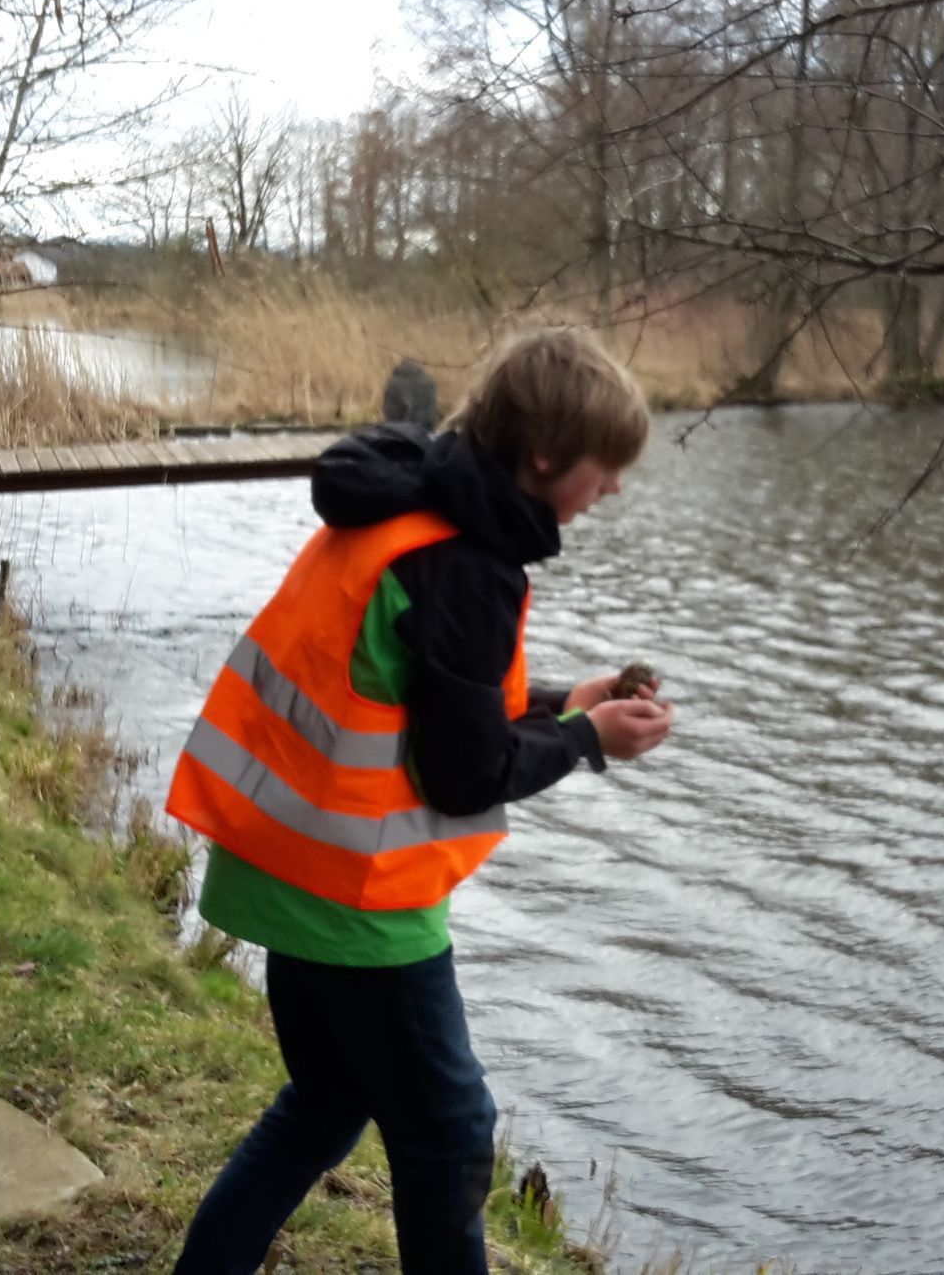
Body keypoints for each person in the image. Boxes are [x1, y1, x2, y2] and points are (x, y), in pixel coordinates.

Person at [166, 326, 675, 1274]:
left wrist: (567, 700)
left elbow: (422, 695)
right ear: (545, 456)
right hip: (360, 904)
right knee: (448, 1135)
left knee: (322, 1105)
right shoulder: (469, 568)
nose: (611, 492)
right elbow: (464, 771)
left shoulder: (405, 506)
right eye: (607, 471)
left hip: (283, 864)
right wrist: (587, 744)